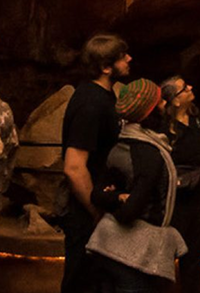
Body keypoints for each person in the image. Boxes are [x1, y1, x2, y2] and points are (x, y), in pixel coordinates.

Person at [89, 78, 187, 293]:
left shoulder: (121, 144)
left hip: (105, 247)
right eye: (160, 103)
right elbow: (129, 213)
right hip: (133, 258)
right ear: (148, 112)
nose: (165, 105)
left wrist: (116, 197)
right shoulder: (149, 153)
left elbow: (97, 194)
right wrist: (124, 200)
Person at [61, 34, 132, 293]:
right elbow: (74, 166)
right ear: (105, 67)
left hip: (101, 205)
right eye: (122, 56)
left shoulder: (104, 97)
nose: (129, 59)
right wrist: (96, 212)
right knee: (83, 282)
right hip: (87, 213)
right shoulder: (91, 103)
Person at [159, 75, 200, 293]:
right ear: (175, 101)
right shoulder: (165, 129)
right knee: (167, 254)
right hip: (175, 201)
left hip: (197, 199)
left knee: (194, 255)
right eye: (184, 88)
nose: (190, 87)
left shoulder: (195, 120)